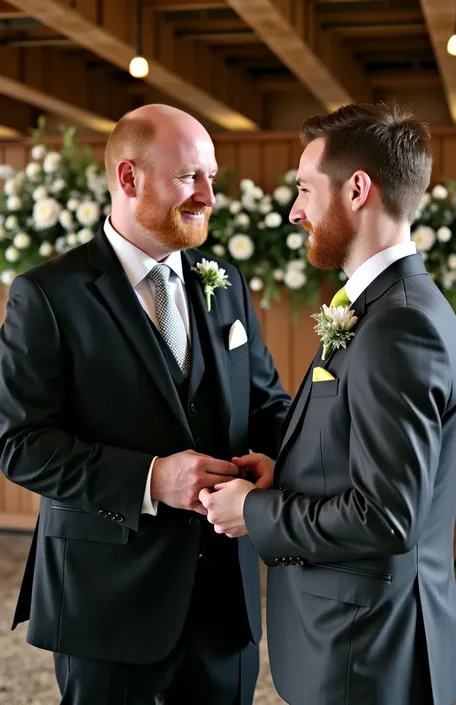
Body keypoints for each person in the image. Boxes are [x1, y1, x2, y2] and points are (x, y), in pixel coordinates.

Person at [0, 104, 291, 705]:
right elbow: (20, 443)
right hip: (105, 602)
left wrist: (302, 458)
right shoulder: (48, 294)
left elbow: (267, 406)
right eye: (190, 177)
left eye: (211, 177)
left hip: (223, 606)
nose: (209, 196)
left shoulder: (226, 282)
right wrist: (153, 479)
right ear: (129, 179)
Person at [201, 102, 456, 705]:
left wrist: (259, 511)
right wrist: (286, 475)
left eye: (304, 189)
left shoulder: (398, 325)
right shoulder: (393, 307)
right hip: (365, 645)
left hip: (366, 655)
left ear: (357, 189)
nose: (295, 210)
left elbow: (387, 516)